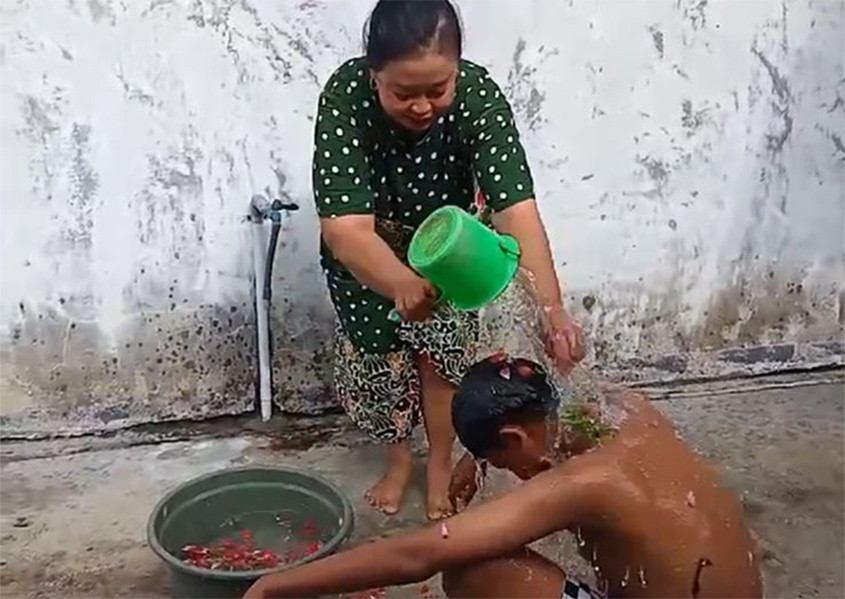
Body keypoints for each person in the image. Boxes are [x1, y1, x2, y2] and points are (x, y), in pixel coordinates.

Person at [314, 0, 583, 519]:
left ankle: (438, 465)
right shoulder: (345, 97)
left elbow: (516, 211)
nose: (422, 107)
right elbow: (345, 227)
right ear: (374, 76)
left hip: (450, 250)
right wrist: (398, 283)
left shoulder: (479, 97)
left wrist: (552, 310)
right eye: (403, 93)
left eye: (437, 90)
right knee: (380, 364)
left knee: (441, 367)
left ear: (457, 70)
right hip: (371, 252)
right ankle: (398, 461)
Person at [244, 353, 763, 599]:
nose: (514, 474)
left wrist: (273, 587)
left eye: (503, 458)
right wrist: (481, 457)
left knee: (477, 570)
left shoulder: (587, 484)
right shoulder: (625, 409)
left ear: (515, 437)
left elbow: (421, 553)